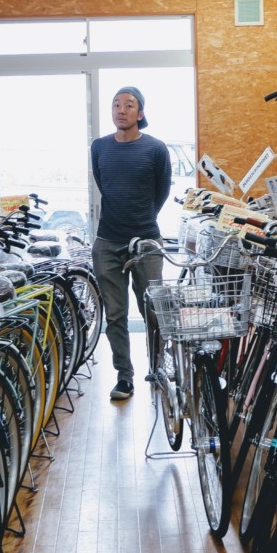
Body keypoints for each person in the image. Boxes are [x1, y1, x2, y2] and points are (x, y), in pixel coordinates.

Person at [89, 86, 171, 401]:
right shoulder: (99, 148)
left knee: (153, 309)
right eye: (116, 105)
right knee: (115, 314)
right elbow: (103, 183)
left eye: (129, 105)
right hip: (108, 241)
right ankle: (124, 377)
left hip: (147, 241)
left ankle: (158, 366)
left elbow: (161, 192)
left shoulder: (156, 149)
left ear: (141, 113)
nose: (121, 110)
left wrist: (141, 220)